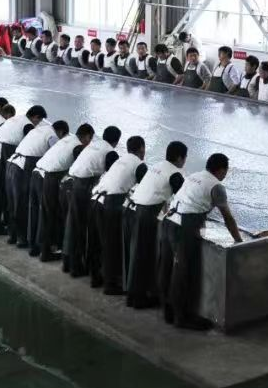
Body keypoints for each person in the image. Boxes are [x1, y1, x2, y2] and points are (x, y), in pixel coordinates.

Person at [158, 153, 242, 330]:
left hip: (168, 221)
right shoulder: (217, 186)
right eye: (226, 171)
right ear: (221, 170)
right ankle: (182, 317)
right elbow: (228, 218)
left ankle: (169, 313)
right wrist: (239, 241)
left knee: (168, 268)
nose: (225, 175)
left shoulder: (194, 176)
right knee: (184, 273)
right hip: (184, 227)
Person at [125, 141, 186, 309]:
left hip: (135, 209)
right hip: (147, 213)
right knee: (143, 255)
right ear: (180, 158)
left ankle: (133, 295)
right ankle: (138, 298)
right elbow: (183, 198)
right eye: (184, 158)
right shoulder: (175, 174)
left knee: (137, 253)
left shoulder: (157, 166)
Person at [91, 135, 147, 294]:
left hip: (95, 199)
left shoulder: (120, 160)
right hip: (110, 203)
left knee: (97, 242)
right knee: (111, 244)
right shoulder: (139, 165)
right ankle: (110, 285)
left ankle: (96, 277)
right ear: (142, 149)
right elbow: (145, 189)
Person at [65, 126, 121, 278]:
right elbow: (112, 176)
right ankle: (81, 267)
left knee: (75, 225)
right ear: (117, 141)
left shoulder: (95, 144)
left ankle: (72, 264)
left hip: (73, 182)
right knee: (86, 229)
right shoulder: (110, 152)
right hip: (85, 186)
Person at [0, 105, 45, 234]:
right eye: (39, 121)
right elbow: (30, 144)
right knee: (0, 190)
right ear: (35, 117)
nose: (38, 124)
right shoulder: (28, 126)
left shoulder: (16, 118)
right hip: (0, 152)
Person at [35, 124, 92, 261]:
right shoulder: (78, 146)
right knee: (51, 214)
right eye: (90, 139)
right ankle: (46, 252)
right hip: (52, 177)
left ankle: (43, 248)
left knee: (46, 214)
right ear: (86, 137)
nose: (89, 143)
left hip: (40, 172)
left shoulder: (68, 139)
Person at [4, 108, 58, 246]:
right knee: (22, 203)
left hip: (11, 162)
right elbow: (55, 152)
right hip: (22, 167)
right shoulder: (52, 135)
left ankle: (12, 235)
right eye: (39, 119)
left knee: (12, 202)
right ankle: (22, 239)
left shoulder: (37, 130)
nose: (38, 122)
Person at [16, 120, 69, 253]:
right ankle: (43, 247)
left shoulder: (42, 129)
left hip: (32, 168)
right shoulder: (54, 137)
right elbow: (56, 154)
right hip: (41, 173)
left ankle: (30, 243)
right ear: (61, 132)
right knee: (44, 211)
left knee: (31, 208)